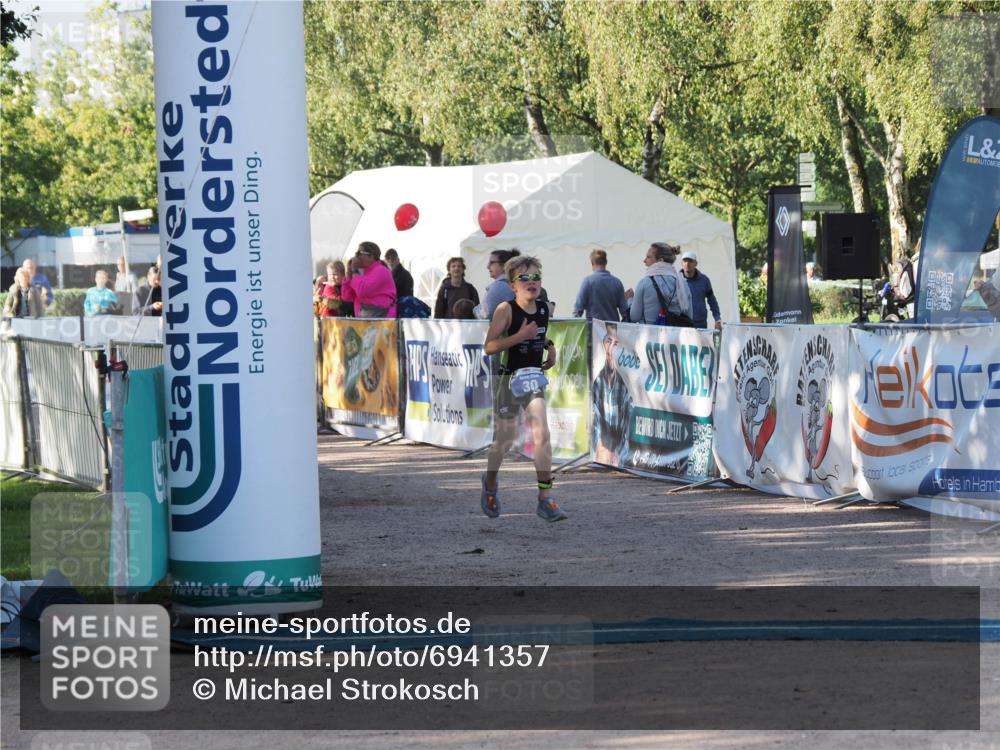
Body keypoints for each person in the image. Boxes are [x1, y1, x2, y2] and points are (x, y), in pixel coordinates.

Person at [481, 255, 567, 522]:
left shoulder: (543, 308)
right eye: (525, 278)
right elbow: (490, 346)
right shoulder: (505, 310)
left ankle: (545, 498)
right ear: (512, 285)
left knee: (542, 432)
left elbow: (539, 334)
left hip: (532, 379)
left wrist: (549, 346)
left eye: (536, 277)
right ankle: (490, 482)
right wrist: (520, 337)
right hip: (508, 379)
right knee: (504, 441)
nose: (532, 283)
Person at [591, 323, 632, 467]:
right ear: (603, 343)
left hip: (617, 454)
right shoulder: (598, 380)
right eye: (608, 341)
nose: (611, 348)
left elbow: (627, 427)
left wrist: (619, 454)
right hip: (601, 453)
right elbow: (594, 421)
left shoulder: (624, 383)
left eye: (616, 344)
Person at [626, 242, 692, 325]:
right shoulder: (683, 283)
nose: (644, 260)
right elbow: (689, 316)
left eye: (648, 257)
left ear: (660, 260)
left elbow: (634, 317)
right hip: (675, 336)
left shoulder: (644, 283)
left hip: (649, 335)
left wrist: (630, 300)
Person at [341, 242, 397, 318]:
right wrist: (349, 273)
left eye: (359, 253)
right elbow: (347, 296)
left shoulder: (381, 271)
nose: (356, 256)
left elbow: (362, 291)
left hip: (381, 322)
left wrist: (355, 271)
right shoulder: (362, 273)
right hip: (365, 320)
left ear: (371, 256)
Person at [573, 249, 629, 322]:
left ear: (592, 263)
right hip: (612, 329)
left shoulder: (588, 281)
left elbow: (578, 309)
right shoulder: (617, 282)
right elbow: (624, 311)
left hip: (593, 328)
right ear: (606, 262)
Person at [680, 250, 722, 330]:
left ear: (696, 264)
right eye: (685, 261)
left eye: (690, 261)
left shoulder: (704, 280)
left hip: (700, 324)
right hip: (682, 323)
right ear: (681, 263)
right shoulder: (676, 280)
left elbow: (712, 300)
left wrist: (717, 319)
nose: (687, 264)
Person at [483, 249, 521, 319]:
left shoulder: (499, 287)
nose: (488, 266)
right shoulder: (514, 283)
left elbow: (485, 314)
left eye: (491, 262)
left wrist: (473, 309)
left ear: (504, 265)